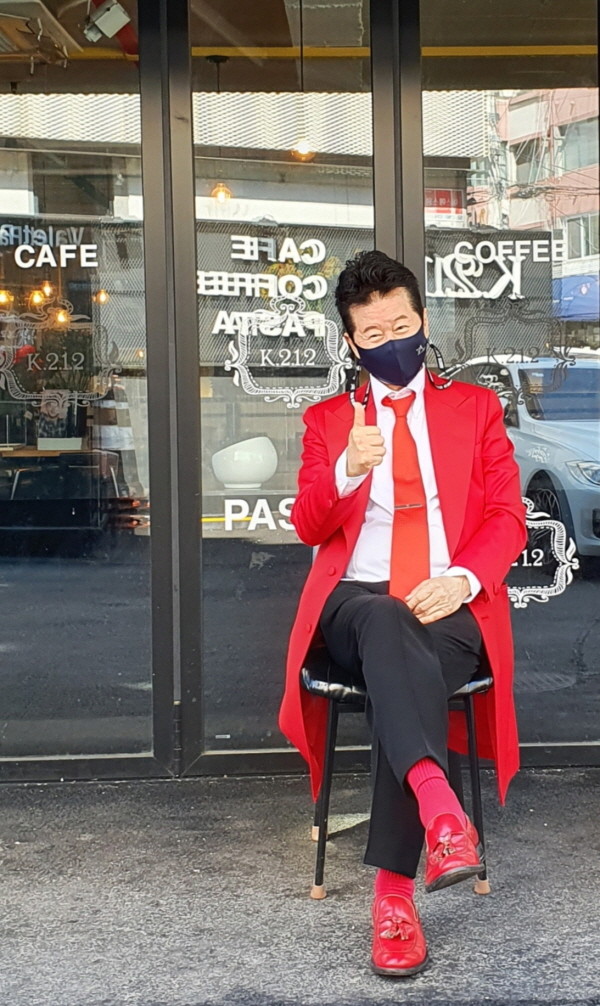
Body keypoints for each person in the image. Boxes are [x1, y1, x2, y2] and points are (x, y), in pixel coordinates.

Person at [279, 250, 527, 978]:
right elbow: (307, 524)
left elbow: (508, 517)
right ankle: (440, 810)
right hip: (357, 602)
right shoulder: (329, 421)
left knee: (403, 674)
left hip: (448, 600)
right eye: (373, 332)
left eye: (402, 325)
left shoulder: (474, 408)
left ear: (422, 321)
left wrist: (461, 579)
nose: (392, 341)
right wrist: (346, 469)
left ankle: (394, 896)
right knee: (385, 621)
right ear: (352, 342)